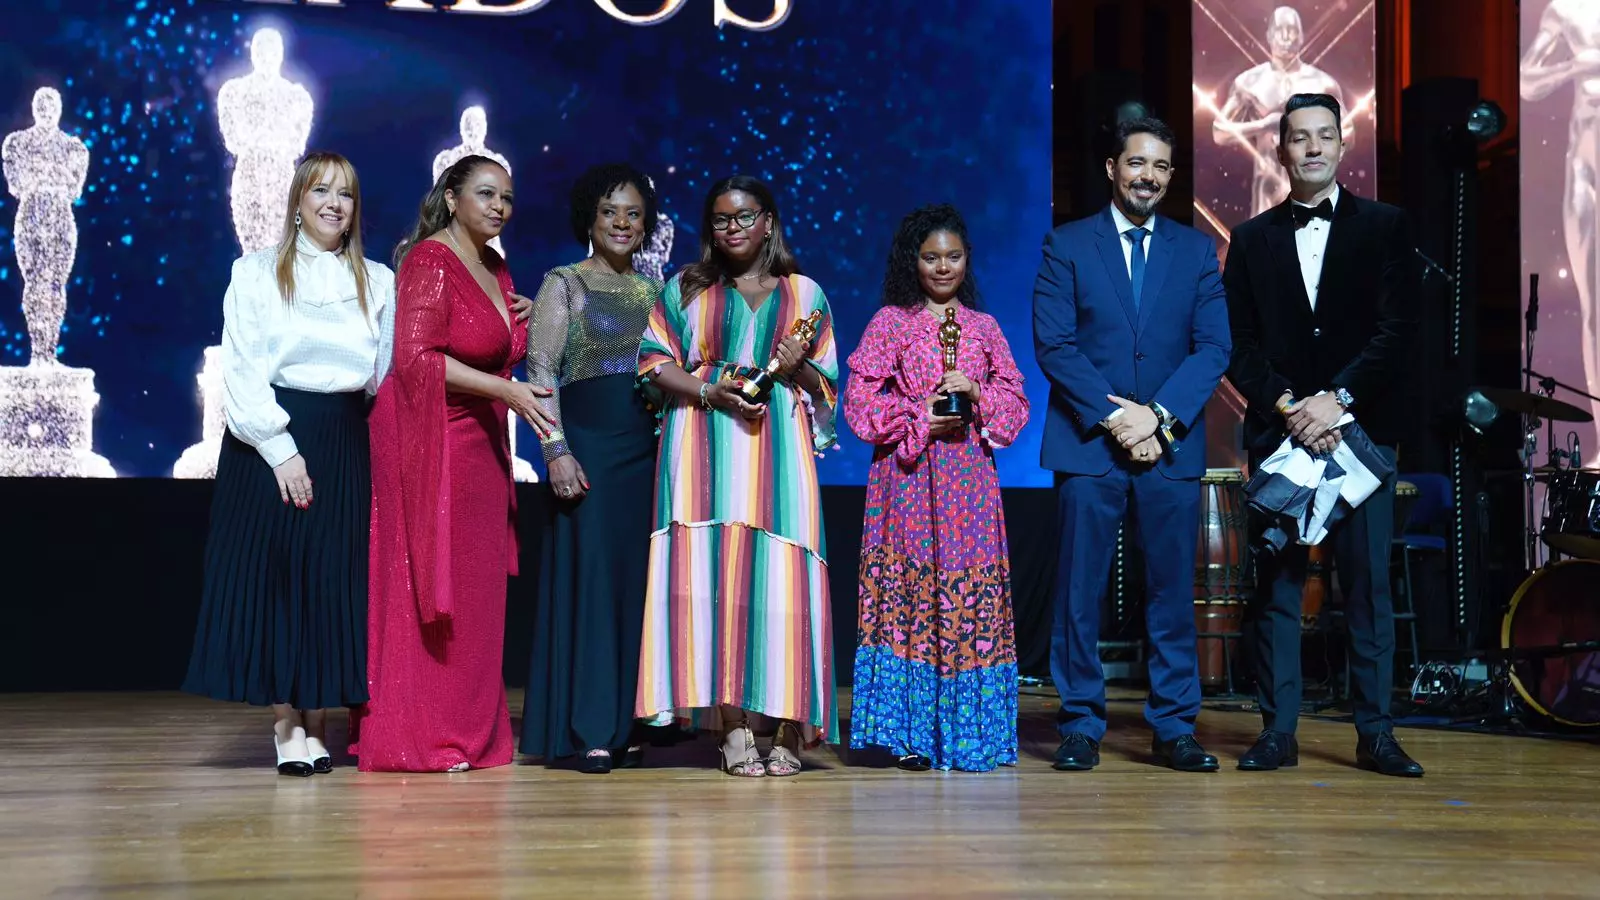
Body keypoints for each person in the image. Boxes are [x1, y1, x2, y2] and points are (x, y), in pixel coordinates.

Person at [1223, 93, 1423, 777]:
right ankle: (1277, 733)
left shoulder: (1387, 226)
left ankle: (1376, 733)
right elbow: (1238, 345)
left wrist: (1335, 401)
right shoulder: (1250, 240)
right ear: (1279, 150)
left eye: (1323, 136)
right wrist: (1290, 406)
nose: (1311, 147)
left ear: (1343, 145)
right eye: (1298, 138)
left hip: (1359, 437)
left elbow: (1397, 333)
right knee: (1277, 589)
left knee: (1368, 588)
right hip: (1283, 438)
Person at [183, 151, 395, 776]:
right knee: (278, 583)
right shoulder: (254, 273)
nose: (334, 203)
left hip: (342, 437)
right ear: (298, 200)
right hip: (266, 441)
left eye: (347, 194)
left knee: (332, 583)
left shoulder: (377, 280)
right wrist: (282, 449)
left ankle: (320, 721)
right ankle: (285, 726)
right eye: (322, 190)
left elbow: (381, 377)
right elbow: (241, 370)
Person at [1032, 116, 1232, 773]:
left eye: (1161, 167)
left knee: (1172, 592)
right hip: (1089, 444)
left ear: (1170, 177)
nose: (1148, 175)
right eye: (1136, 163)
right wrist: (1120, 420)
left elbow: (1214, 348)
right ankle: (1081, 725)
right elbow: (1055, 344)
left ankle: (1175, 728)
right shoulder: (1066, 244)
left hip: (1170, 446)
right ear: (1112, 168)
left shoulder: (1198, 251)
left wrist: (1160, 418)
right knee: (1078, 592)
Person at [354, 155, 554, 773]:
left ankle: (469, 728)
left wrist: (514, 316)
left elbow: (489, 343)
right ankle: (425, 732)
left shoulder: (493, 264)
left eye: (508, 198)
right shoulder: (429, 261)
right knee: (431, 584)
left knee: (474, 588)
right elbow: (415, 360)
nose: (500, 207)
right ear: (450, 197)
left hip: (482, 441)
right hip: (431, 436)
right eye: (487, 194)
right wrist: (508, 391)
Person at [635, 175, 839, 777]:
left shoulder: (806, 294)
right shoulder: (685, 289)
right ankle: (733, 727)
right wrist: (710, 391)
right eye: (722, 219)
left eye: (745, 216)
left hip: (780, 452)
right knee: (715, 584)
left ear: (768, 221)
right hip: (702, 446)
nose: (734, 229)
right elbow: (651, 364)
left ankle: (784, 726)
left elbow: (826, 388)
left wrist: (799, 370)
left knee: (780, 585)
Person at [845, 204, 1030, 772]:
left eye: (953, 256)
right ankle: (908, 736)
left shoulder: (985, 328)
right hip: (906, 482)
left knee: (967, 597)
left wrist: (976, 392)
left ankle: (972, 737)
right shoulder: (890, 324)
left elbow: (1017, 407)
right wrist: (918, 413)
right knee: (909, 596)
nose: (943, 267)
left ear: (967, 259)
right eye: (931, 257)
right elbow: (857, 404)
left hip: (969, 485)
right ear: (913, 261)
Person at [519, 164, 665, 774]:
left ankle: (630, 721)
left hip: (647, 453)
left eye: (633, 214)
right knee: (594, 584)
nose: (623, 223)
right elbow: (541, 374)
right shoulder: (564, 283)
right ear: (590, 217)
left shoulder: (658, 290)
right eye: (611, 212)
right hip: (587, 452)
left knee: (639, 585)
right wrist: (555, 450)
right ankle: (589, 726)